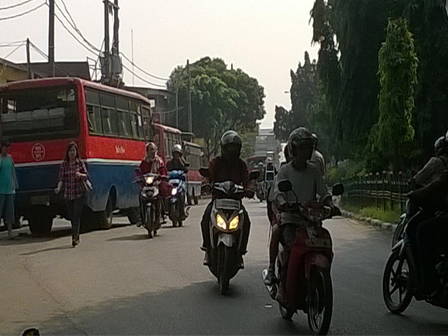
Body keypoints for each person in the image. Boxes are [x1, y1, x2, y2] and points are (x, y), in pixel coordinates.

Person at [266, 127, 339, 298]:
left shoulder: (313, 170)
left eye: (308, 148)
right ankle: (283, 288)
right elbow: (277, 192)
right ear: (293, 149)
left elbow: (324, 191)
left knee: (325, 244)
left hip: (311, 222)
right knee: (291, 248)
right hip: (291, 220)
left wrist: (330, 204)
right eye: (302, 148)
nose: (305, 152)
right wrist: (283, 203)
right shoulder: (285, 171)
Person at [200, 130, 251, 266]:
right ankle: (206, 247)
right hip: (218, 201)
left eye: (234, 149)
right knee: (205, 217)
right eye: (229, 148)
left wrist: (250, 189)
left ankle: (240, 252)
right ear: (223, 148)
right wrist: (206, 184)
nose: (231, 152)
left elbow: (248, 179)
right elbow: (207, 175)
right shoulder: (215, 162)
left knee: (246, 222)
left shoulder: (241, 165)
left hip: (235, 202)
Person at [264, 146, 290, 285]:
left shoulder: (312, 171)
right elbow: (274, 198)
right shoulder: (282, 173)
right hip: (287, 216)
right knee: (276, 230)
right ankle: (271, 269)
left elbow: (322, 192)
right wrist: (279, 213)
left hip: (307, 218)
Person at [55, 142, 88, 247]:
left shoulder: (80, 163)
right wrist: (58, 188)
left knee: (76, 215)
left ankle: (75, 237)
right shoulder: (64, 165)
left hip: (79, 193)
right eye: (70, 151)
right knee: (72, 216)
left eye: (74, 150)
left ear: (76, 152)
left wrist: (80, 175)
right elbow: (61, 179)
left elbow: (86, 176)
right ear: (67, 152)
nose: (72, 153)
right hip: (68, 194)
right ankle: (75, 234)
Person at [138, 142, 170, 225]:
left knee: (161, 194)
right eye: (150, 149)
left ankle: (163, 215)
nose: (152, 151)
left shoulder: (159, 161)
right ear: (147, 151)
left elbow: (163, 171)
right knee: (141, 196)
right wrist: (138, 177)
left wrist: (162, 176)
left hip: (156, 183)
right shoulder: (144, 162)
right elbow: (139, 172)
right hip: (146, 184)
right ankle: (141, 217)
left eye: (153, 149)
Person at [0, 139, 19, 240]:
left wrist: (14, 186)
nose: (6, 149)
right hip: (1, 190)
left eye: (8, 147)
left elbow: (13, 173)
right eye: (5, 147)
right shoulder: (0, 159)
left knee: (10, 213)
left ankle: (10, 233)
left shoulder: (10, 158)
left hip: (9, 190)